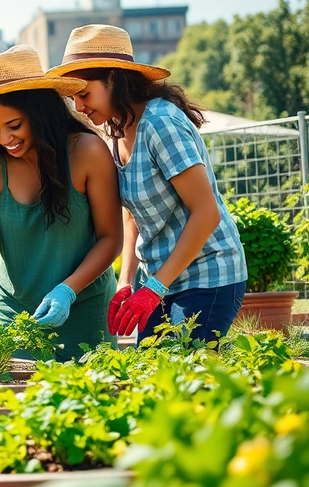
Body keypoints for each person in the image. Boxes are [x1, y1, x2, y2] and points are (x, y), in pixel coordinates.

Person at [47, 25, 247, 342]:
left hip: (207, 275)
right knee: (150, 377)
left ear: (114, 78)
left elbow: (206, 212)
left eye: (84, 94)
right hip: (160, 281)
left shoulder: (160, 122)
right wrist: (126, 280)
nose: (80, 108)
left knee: (178, 378)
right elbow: (133, 214)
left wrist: (154, 288)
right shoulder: (113, 131)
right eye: (74, 99)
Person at [0, 46, 123, 360]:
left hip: (84, 309)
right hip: (15, 316)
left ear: (41, 114)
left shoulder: (87, 151)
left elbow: (111, 238)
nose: (4, 138)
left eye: (14, 125)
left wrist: (69, 289)